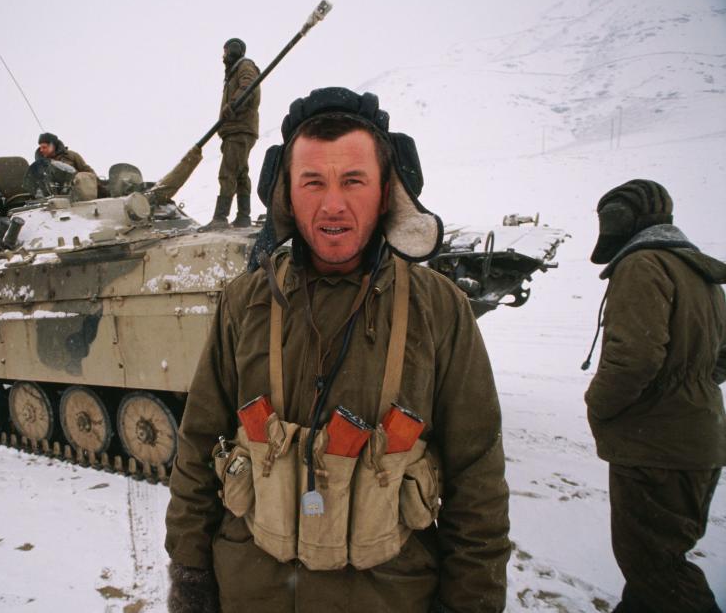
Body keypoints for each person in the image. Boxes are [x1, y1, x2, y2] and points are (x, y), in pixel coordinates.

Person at [165, 87, 511, 613]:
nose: (333, 204)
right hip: (250, 593)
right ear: (286, 193)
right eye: (313, 182)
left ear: (387, 190)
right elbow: (195, 445)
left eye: (354, 181)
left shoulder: (438, 309)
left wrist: (472, 600)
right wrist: (190, 575)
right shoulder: (244, 302)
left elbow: (477, 476)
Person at [583, 179, 726, 613]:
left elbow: (634, 358)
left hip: (654, 449)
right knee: (659, 562)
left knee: (656, 571)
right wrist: (686, 391)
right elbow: (720, 360)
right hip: (698, 442)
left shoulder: (643, 265)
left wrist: (599, 408)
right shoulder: (699, 272)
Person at [200, 38, 261, 231]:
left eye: (225, 51)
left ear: (233, 50)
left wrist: (233, 104)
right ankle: (243, 217)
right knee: (241, 173)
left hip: (238, 128)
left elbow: (248, 86)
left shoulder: (245, 66)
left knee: (228, 172)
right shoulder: (235, 71)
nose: (223, 55)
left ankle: (220, 218)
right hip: (238, 129)